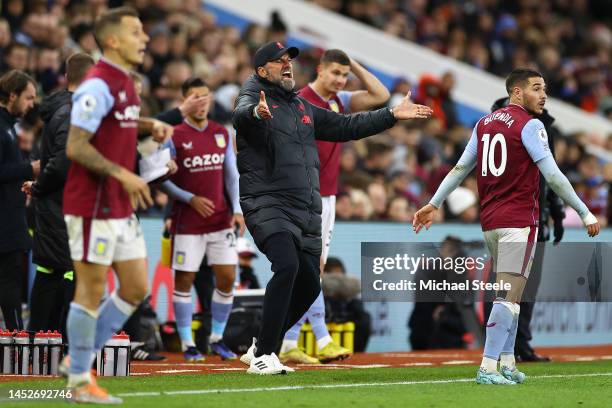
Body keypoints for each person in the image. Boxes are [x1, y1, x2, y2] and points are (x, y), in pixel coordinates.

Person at [234, 41, 432, 375]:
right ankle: (265, 355)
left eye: (289, 60)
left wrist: (390, 116)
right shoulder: (253, 98)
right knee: (286, 267)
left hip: (305, 208)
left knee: (310, 284)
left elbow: (345, 127)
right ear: (260, 70)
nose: (286, 65)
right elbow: (242, 114)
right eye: (278, 61)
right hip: (268, 201)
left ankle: (261, 343)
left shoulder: (299, 106)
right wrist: (256, 113)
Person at [413, 68, 600, 385]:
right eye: (537, 88)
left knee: (513, 294)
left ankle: (509, 362)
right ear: (516, 92)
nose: (544, 95)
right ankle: (488, 367)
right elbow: (552, 175)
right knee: (509, 296)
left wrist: (434, 202)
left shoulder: (483, 124)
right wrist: (584, 211)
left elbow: (460, 168)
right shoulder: (531, 125)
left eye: (545, 89)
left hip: (490, 223)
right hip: (518, 221)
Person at [60, 7, 173, 403]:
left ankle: (80, 358)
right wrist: (123, 174)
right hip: (92, 204)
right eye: (136, 32)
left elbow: (118, 120)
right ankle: (78, 378)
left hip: (118, 206)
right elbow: (75, 146)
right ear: (112, 40)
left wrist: (147, 125)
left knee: (136, 287)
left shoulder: (124, 81)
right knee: (90, 291)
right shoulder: (97, 85)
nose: (144, 38)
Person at [279, 49, 390, 365]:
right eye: (336, 73)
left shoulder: (339, 101)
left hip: (325, 196)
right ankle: (321, 338)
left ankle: (288, 342)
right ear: (320, 70)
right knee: (311, 269)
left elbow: (380, 94)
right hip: (304, 195)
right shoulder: (301, 99)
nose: (340, 80)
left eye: (345, 75)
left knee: (313, 270)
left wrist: (354, 62)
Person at [161, 77, 244, 361]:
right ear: (184, 101)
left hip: (220, 220)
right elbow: (161, 179)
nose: (201, 102)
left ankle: (217, 338)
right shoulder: (172, 134)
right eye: (195, 97)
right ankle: (187, 344)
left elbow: (232, 176)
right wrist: (189, 198)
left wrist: (237, 210)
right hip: (187, 221)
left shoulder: (221, 132)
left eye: (205, 96)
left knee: (227, 278)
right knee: (184, 281)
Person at [21, 53, 94, 339]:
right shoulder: (73, 113)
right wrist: (39, 188)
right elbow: (64, 161)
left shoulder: (65, 110)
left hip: (63, 204)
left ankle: (45, 342)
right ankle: (48, 342)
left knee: (56, 272)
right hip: (63, 205)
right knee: (61, 273)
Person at [489, 96, 565, 363]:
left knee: (525, 288)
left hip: (533, 219)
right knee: (508, 286)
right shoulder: (505, 127)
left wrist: (556, 212)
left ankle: (517, 345)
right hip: (512, 218)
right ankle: (501, 347)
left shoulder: (541, 127)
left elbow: (550, 173)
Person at [0, 69, 38, 331]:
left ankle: (15, 334)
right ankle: (15, 336)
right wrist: (30, 168)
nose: (32, 104)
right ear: (12, 95)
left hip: (9, 216)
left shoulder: (7, 127)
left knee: (11, 277)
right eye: (29, 97)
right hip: (4, 221)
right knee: (9, 279)